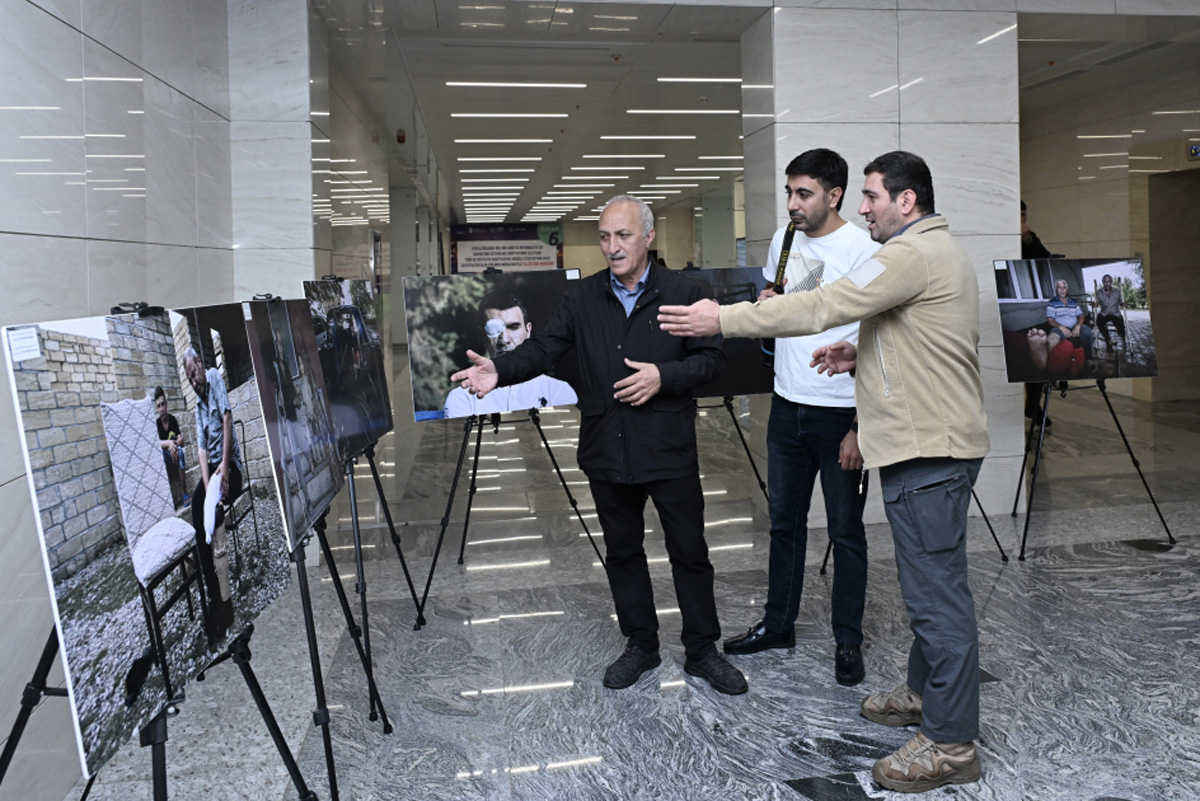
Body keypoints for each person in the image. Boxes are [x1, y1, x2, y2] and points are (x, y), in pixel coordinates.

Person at [658, 152, 990, 792]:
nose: (863, 208)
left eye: (870, 197)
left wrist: (722, 319)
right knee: (935, 590)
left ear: (906, 202)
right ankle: (926, 695)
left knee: (937, 600)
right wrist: (860, 352)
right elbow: (917, 340)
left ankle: (950, 745)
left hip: (930, 453)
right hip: (931, 446)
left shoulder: (909, 255)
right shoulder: (932, 251)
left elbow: (822, 304)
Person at [450, 195, 747, 695]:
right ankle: (641, 646)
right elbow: (545, 350)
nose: (612, 247)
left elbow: (713, 362)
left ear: (648, 237)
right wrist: (499, 370)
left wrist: (663, 376)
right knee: (623, 552)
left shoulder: (683, 292)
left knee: (690, 552)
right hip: (607, 448)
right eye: (605, 236)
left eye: (623, 235)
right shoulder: (584, 299)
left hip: (668, 449)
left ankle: (702, 651)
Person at [722, 149, 878, 690]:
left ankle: (848, 640)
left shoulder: (864, 249)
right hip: (787, 407)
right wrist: (768, 302)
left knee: (845, 530)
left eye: (803, 193)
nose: (792, 203)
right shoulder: (783, 240)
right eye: (789, 192)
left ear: (834, 196)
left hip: (840, 414)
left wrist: (861, 424)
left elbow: (879, 340)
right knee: (784, 524)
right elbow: (779, 302)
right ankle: (778, 624)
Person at [443, 290, 577, 418]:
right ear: (482, 335)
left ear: (528, 330)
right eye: (493, 329)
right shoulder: (462, 399)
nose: (504, 340)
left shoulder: (558, 392)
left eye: (513, 327)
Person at [183, 347, 241, 644]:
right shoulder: (196, 407)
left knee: (214, 516)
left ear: (201, 366)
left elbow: (228, 420)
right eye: (189, 379)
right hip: (215, 477)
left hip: (230, 468)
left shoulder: (215, 377)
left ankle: (226, 602)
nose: (193, 382)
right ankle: (213, 594)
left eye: (194, 374)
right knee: (199, 511)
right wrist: (208, 490)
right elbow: (202, 452)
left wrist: (226, 471)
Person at [1021, 200, 1053, 425]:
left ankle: (1034, 404)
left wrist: (1027, 237)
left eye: (1024, 216)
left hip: (1034, 302)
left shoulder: (1030, 237)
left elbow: (1045, 259)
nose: (1022, 221)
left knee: (1039, 358)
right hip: (1014, 306)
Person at [153, 385, 189, 508]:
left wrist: (174, 444)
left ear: (166, 404)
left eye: (163, 404)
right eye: (159, 406)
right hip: (166, 457)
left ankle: (184, 493)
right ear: (157, 408)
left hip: (175, 455)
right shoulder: (157, 424)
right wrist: (168, 443)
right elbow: (156, 443)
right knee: (160, 455)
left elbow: (180, 439)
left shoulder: (172, 420)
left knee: (180, 452)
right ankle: (169, 498)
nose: (162, 408)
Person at [1046, 278, 1093, 362]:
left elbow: (1082, 316)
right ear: (1056, 289)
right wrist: (1061, 327)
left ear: (1067, 290)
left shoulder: (1073, 302)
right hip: (1059, 328)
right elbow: (1050, 320)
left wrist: (1078, 326)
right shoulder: (1052, 302)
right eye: (1059, 287)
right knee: (1052, 339)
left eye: (1064, 288)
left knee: (1088, 332)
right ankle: (1047, 361)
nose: (1062, 290)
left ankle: (1087, 359)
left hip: (1075, 326)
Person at [1094, 274, 1126, 351]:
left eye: (1108, 281)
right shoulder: (1099, 292)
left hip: (1115, 313)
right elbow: (1097, 303)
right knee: (1099, 322)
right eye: (1105, 281)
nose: (1107, 283)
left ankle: (1123, 339)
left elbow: (1121, 302)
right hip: (1104, 313)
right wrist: (1095, 304)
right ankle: (1108, 341)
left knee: (1121, 327)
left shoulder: (1117, 292)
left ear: (1111, 282)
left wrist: (1123, 303)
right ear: (1103, 282)